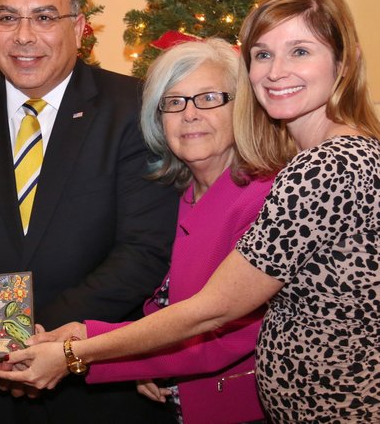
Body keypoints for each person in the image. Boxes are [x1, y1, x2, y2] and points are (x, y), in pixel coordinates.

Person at [0, 0, 380, 423]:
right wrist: (89, 336)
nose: (276, 72)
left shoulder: (323, 167)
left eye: (300, 52)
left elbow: (213, 312)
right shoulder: (185, 192)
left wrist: (75, 350)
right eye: (263, 54)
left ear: (343, 62)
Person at [0, 0, 179, 423]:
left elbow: (142, 250)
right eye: (7, 18)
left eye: (43, 17)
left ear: (78, 28)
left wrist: (34, 340)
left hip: (98, 387)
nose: (23, 36)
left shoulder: (132, 110)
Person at [21, 38, 274, 424]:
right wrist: (83, 330)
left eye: (208, 98)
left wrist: (83, 352)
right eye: (173, 102)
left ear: (241, 107)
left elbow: (220, 331)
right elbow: (168, 313)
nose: (189, 114)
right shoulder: (181, 195)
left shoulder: (262, 197)